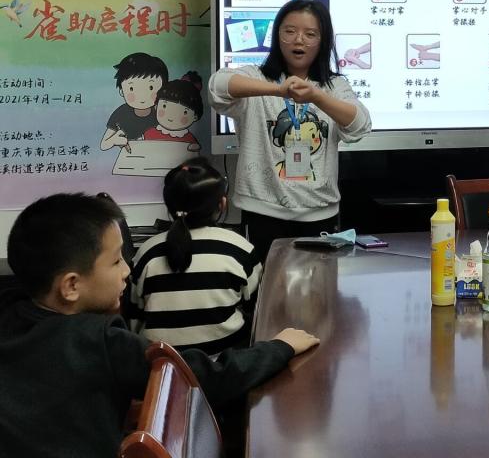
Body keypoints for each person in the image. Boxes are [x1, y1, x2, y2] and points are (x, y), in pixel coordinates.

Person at [0, 192, 319, 458]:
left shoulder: (9, 318)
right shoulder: (101, 341)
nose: (127, 270)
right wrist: (280, 347)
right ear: (71, 286)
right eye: (116, 261)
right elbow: (202, 379)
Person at [209, 0, 371, 262]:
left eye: (310, 34)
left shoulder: (335, 87)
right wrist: (279, 90)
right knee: (267, 285)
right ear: (277, 36)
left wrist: (316, 96)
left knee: (318, 286)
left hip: (319, 212)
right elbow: (218, 86)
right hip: (262, 211)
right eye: (290, 31)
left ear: (322, 41)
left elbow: (360, 124)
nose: (299, 40)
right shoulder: (256, 77)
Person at [131, 158, 261, 353]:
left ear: (169, 205)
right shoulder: (240, 249)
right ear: (222, 204)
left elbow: (135, 312)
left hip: (162, 363)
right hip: (227, 361)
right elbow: (256, 308)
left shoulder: (147, 252)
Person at [99, 51, 168, 151]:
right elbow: (103, 145)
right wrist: (114, 140)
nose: (142, 95)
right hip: (131, 156)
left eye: (151, 87)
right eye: (132, 88)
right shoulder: (120, 114)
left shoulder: (162, 111)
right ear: (122, 91)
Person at [141, 70, 204, 151]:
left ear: (195, 116)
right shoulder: (150, 133)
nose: (171, 115)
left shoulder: (188, 138)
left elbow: (194, 149)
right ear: (156, 107)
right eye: (164, 106)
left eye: (184, 112)